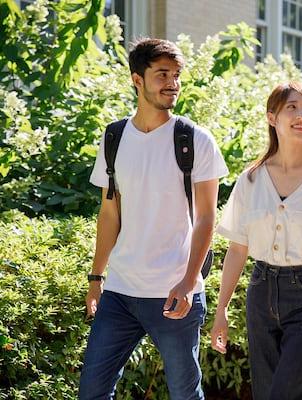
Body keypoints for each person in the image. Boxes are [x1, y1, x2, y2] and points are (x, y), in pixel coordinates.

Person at [79, 38, 228, 399]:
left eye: (176, 75)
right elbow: (109, 211)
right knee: (92, 391)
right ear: (137, 79)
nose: (172, 83)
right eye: (162, 74)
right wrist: (97, 277)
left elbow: (207, 217)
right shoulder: (114, 137)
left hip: (174, 292)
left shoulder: (195, 140)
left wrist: (189, 282)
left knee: (183, 394)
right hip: (120, 291)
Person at [210, 82, 302, 400]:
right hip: (261, 292)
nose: (301, 115)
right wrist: (221, 310)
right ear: (271, 117)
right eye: (292, 107)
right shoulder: (250, 180)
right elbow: (237, 249)